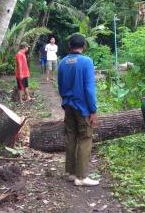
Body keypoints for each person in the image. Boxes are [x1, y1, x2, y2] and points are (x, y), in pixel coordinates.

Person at [58, 34, 99, 186]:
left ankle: (70, 172)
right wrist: (93, 110)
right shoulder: (86, 62)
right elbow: (89, 89)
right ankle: (81, 177)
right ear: (84, 46)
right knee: (85, 138)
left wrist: (65, 101)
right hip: (82, 108)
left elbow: (60, 86)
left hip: (68, 105)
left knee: (71, 137)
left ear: (70, 45)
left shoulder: (62, 62)